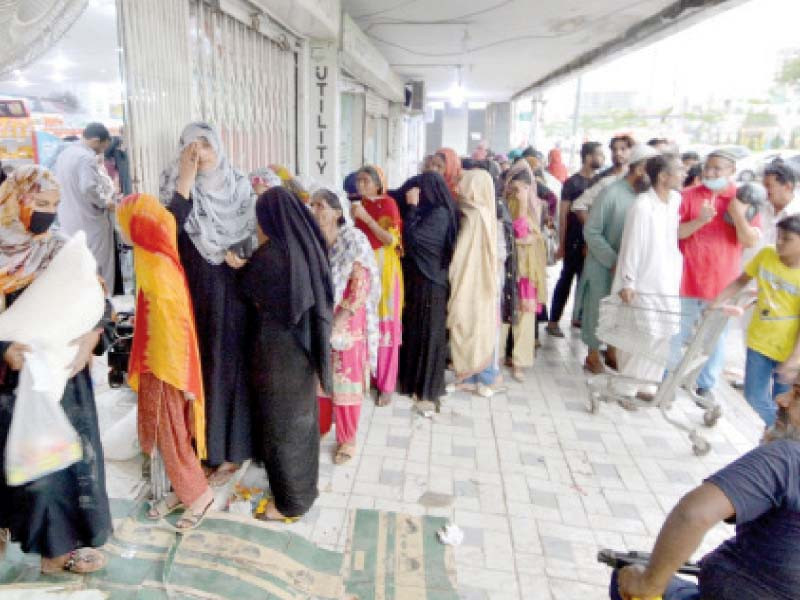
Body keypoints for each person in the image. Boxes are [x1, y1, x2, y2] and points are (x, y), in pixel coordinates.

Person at [0, 165, 112, 574]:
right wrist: (5, 349)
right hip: (9, 385)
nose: (47, 213)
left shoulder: (61, 250)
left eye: (54, 205)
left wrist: (90, 339)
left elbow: (100, 304)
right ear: (14, 201)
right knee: (13, 467)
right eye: (40, 203)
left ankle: (57, 550)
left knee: (55, 468)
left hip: (62, 379)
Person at [610, 381, 800, 600]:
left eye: (797, 395)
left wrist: (648, 585)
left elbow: (693, 514)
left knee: (627, 578)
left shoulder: (786, 458)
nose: (781, 400)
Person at [159, 122, 254, 486]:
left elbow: (255, 234)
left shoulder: (240, 184)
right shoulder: (175, 185)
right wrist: (185, 176)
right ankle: (206, 448)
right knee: (202, 368)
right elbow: (167, 229)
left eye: (206, 144)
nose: (199, 151)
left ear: (219, 146)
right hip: (194, 291)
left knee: (233, 365)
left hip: (235, 289)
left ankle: (234, 449)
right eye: (191, 145)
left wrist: (243, 252)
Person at [116, 193, 213, 530]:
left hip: (166, 367)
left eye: (125, 222)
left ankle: (199, 495)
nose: (121, 229)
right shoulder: (151, 256)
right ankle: (182, 490)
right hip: (157, 363)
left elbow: (173, 327)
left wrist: (180, 380)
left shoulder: (157, 268)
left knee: (170, 432)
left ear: (138, 227)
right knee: (165, 432)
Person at [240, 187, 333, 522]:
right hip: (302, 351)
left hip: (276, 353)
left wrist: (240, 266)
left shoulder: (272, 255)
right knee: (301, 423)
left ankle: (289, 503)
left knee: (281, 426)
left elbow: (249, 290)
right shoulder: (309, 246)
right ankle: (304, 490)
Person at [673, 149, 760, 398]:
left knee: (714, 337)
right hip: (686, 279)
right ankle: (668, 377)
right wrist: (700, 221)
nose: (710, 173)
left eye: (717, 169)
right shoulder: (688, 196)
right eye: (707, 168)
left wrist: (737, 215)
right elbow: (675, 233)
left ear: (732, 171)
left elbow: (750, 240)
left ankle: (705, 385)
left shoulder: (743, 201)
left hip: (722, 284)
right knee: (677, 330)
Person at [310, 188, 379, 465]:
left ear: (338, 212)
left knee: (345, 378)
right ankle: (322, 427)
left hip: (346, 320)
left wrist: (338, 321)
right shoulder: (315, 241)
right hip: (322, 317)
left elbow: (360, 284)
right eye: (312, 205)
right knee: (321, 376)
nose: (315, 211)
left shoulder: (353, 240)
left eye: (321, 206)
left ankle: (347, 439)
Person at [710, 215, 800, 426]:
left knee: (785, 406)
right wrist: (717, 301)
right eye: (778, 236)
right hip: (759, 342)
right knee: (753, 396)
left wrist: (794, 359)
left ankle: (778, 441)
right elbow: (741, 281)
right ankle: (777, 434)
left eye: (786, 239)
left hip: (788, 352)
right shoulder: (767, 254)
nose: (779, 242)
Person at [579, 144, 658, 374]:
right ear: (640, 169)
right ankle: (593, 355)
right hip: (604, 265)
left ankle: (612, 351)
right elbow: (591, 231)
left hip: (628, 269)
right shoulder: (612, 193)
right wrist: (614, 262)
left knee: (620, 313)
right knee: (598, 311)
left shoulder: (646, 198)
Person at [614, 154, 686, 398]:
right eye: (679, 170)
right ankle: (625, 387)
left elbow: (674, 234)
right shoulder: (642, 205)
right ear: (663, 176)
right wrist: (628, 281)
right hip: (643, 281)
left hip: (667, 278)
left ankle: (647, 383)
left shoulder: (675, 200)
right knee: (642, 335)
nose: (683, 174)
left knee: (662, 334)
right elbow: (631, 245)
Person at [397, 172, 457, 408]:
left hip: (431, 283)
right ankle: (413, 383)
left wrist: (411, 208)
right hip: (422, 282)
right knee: (416, 333)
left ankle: (427, 389)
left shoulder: (440, 214)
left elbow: (414, 239)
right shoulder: (434, 212)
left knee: (429, 337)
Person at [352, 165, 403, 407]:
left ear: (377, 183)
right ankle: (370, 375)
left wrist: (365, 218)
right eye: (358, 181)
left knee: (386, 327)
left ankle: (387, 384)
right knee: (367, 322)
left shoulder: (388, 204)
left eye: (365, 181)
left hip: (384, 268)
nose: (360, 185)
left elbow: (390, 239)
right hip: (365, 267)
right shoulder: (357, 205)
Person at [448, 169, 500, 390]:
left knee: (470, 323)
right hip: (479, 280)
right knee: (474, 324)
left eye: (464, 183)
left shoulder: (475, 215)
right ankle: (471, 376)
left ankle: (484, 376)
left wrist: (453, 270)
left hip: (471, 278)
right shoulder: (481, 212)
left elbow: (462, 253)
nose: (459, 187)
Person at [547, 141, 604, 338]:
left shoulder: (600, 182)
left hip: (592, 239)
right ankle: (553, 321)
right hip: (573, 239)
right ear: (588, 157)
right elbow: (563, 216)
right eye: (599, 155)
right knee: (566, 278)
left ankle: (577, 317)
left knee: (585, 280)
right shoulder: (572, 183)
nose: (602, 159)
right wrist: (561, 244)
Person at [52, 122, 116, 292]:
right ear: (95, 140)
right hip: (90, 221)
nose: (102, 151)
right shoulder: (86, 158)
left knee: (80, 263)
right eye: (103, 146)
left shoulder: (66, 154)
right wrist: (105, 202)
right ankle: (104, 304)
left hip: (69, 219)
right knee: (99, 263)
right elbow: (88, 187)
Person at [502, 161, 547, 381]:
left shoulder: (534, 206)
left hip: (527, 272)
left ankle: (519, 361)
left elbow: (527, 236)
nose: (517, 190)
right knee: (503, 314)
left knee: (524, 318)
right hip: (508, 268)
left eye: (522, 187)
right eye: (513, 185)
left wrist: (522, 206)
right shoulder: (505, 205)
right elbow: (516, 235)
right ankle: (499, 355)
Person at [572, 134, 635, 219]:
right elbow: (580, 205)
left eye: (623, 149)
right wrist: (592, 230)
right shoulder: (600, 178)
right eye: (614, 150)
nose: (618, 153)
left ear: (632, 151)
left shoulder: (636, 176)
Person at [761, 161, 800, 247]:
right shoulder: (760, 207)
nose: (764, 190)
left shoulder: (797, 212)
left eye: (768, 186)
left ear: (787, 187)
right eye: (763, 186)